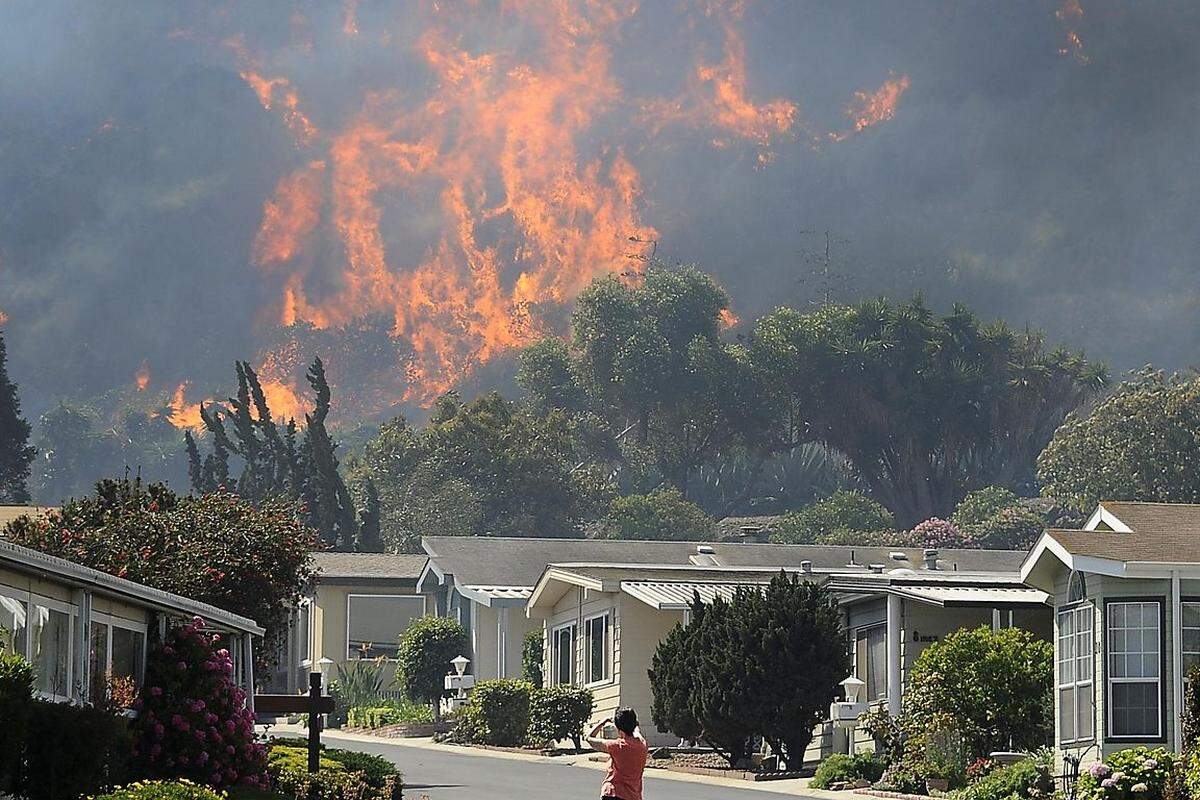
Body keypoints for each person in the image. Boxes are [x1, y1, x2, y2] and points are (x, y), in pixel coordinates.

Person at [586, 707, 649, 800]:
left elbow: (589, 738)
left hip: (613, 793)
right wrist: (633, 722)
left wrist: (603, 722)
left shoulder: (616, 746)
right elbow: (637, 732)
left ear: (618, 728)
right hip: (633, 796)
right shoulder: (643, 745)